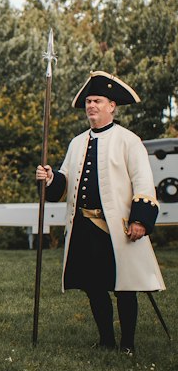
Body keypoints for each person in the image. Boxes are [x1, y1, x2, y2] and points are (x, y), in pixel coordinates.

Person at [36, 70, 164, 354]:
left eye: (97, 101)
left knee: (125, 287)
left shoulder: (129, 140)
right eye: (88, 101)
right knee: (94, 286)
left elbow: (143, 182)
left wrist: (140, 220)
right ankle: (106, 340)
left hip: (117, 228)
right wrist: (49, 178)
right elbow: (65, 181)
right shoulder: (77, 142)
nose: (91, 106)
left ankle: (127, 344)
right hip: (84, 226)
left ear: (111, 106)